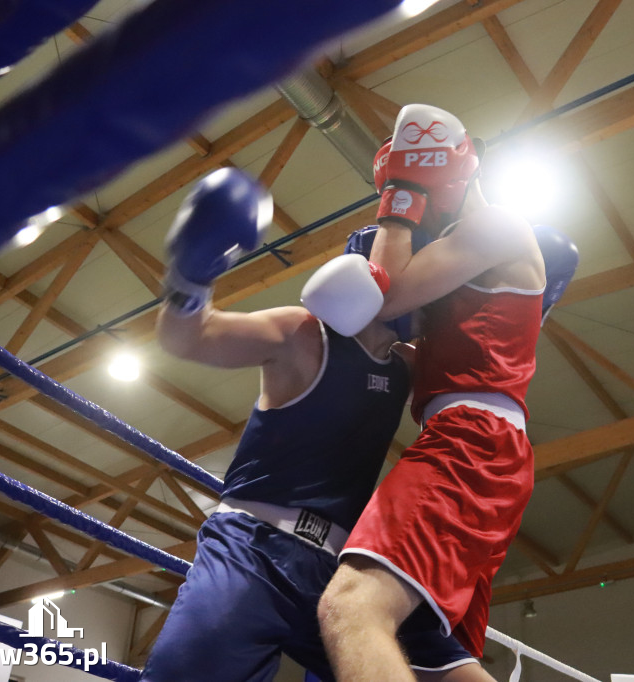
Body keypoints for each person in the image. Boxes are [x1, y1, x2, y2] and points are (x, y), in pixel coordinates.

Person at [139, 167, 496, 682]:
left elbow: (483, 384)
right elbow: (191, 340)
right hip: (252, 551)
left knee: (444, 672)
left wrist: (522, 307)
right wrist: (189, 277)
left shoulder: (408, 365)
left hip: (340, 573)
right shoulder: (304, 335)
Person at [304, 104, 578, 681]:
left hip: (471, 439)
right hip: (479, 442)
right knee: (436, 654)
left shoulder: (494, 225)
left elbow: (382, 297)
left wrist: (398, 200)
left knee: (351, 605)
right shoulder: (460, 254)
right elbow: (395, 338)